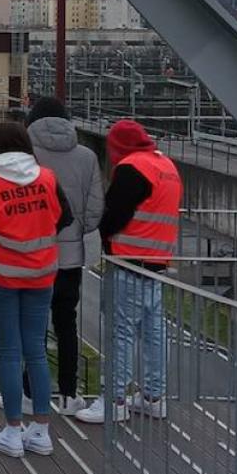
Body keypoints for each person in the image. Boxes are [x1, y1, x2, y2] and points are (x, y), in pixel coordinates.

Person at [0, 122, 72, 458]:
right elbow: (64, 218)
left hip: (2, 276)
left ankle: (12, 430)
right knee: (36, 350)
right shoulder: (47, 178)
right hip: (42, 274)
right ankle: (41, 429)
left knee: (10, 352)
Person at [76, 120, 181, 425]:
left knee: (119, 333)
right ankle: (153, 396)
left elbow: (113, 215)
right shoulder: (166, 167)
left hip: (129, 262)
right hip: (157, 262)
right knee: (153, 332)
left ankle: (114, 400)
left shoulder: (133, 169)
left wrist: (102, 233)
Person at [5, 97, 103, 417]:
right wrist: (73, 232)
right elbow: (94, 210)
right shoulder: (87, 157)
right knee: (66, 324)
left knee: (31, 326)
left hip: (31, 254)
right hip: (70, 257)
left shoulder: (24, 156)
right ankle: (68, 394)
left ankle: (29, 393)